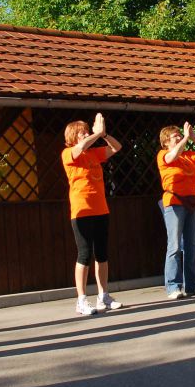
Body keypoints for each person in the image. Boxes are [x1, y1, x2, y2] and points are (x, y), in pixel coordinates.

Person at [62, 113, 123, 315]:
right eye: (83, 132)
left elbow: (117, 148)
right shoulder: (68, 152)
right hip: (81, 210)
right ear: (73, 136)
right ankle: (81, 299)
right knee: (84, 254)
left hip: (101, 209)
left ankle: (103, 296)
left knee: (102, 254)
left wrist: (103, 134)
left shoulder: (94, 153)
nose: (87, 134)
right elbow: (79, 149)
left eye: (87, 131)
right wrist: (95, 134)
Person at [158, 122, 195, 299]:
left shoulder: (189, 156)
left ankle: (192, 285)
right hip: (174, 202)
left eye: (180, 135)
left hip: (191, 202)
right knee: (174, 245)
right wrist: (186, 139)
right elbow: (172, 157)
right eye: (175, 136)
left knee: (191, 244)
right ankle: (173, 286)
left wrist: (194, 138)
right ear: (166, 141)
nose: (179, 137)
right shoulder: (163, 154)